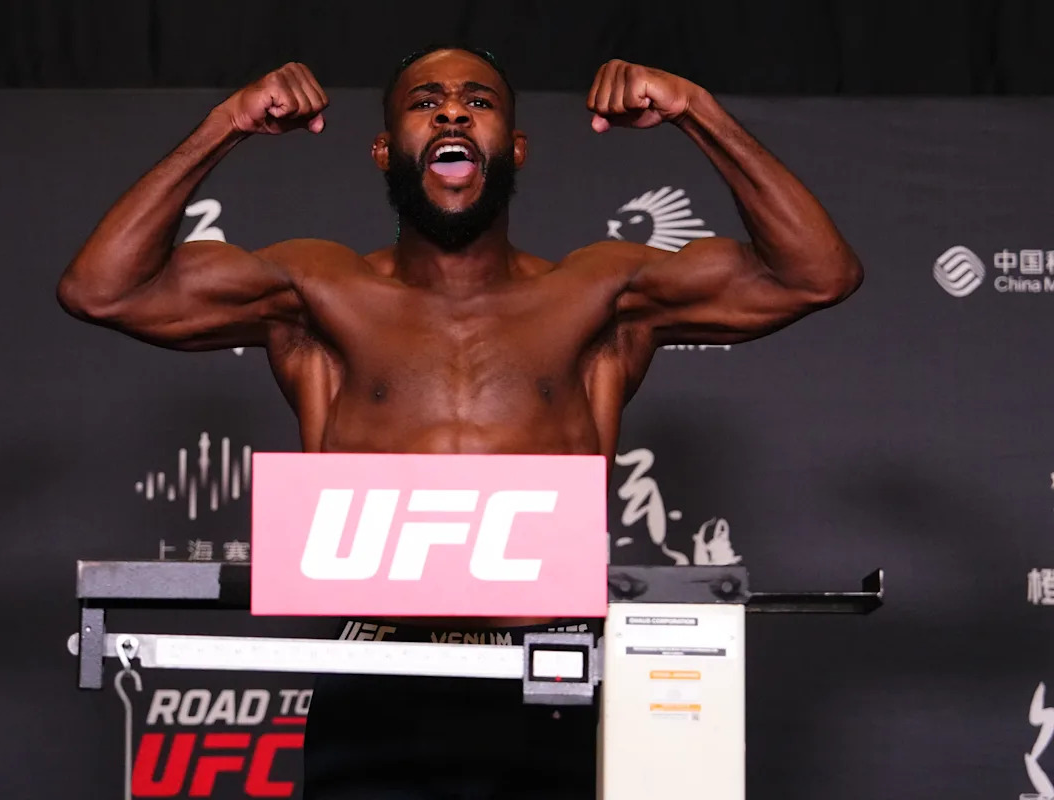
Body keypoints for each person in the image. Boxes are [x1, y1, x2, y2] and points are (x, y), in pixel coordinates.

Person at [58, 45, 862, 799]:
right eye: (425, 103)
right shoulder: (318, 290)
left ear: (515, 148)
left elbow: (816, 275)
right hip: (374, 670)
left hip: (549, 668)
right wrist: (225, 124)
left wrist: (696, 109)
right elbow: (102, 290)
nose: (450, 113)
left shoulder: (599, 294)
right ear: (385, 152)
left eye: (477, 102)